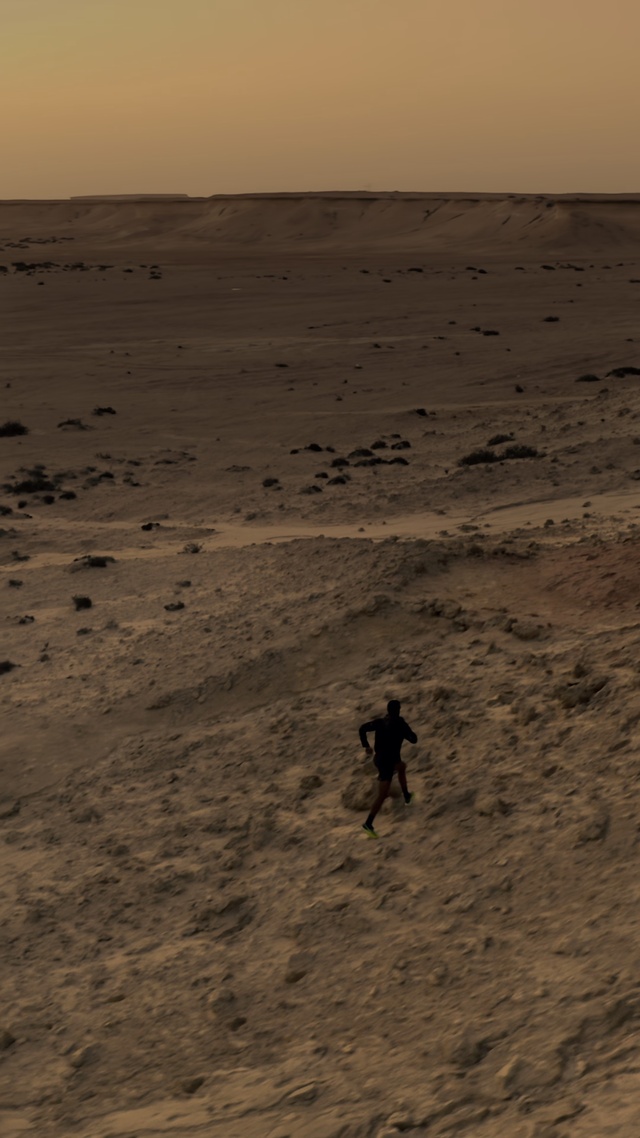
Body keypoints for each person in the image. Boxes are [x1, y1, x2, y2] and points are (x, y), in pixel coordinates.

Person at [359, 699, 417, 838]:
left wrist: (366, 746)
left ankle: (407, 796)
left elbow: (362, 729)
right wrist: (405, 732)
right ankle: (368, 824)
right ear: (398, 710)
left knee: (401, 767)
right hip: (389, 762)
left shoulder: (380, 722)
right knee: (382, 795)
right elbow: (414, 739)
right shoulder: (400, 724)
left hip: (379, 759)